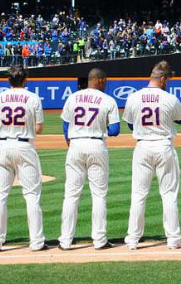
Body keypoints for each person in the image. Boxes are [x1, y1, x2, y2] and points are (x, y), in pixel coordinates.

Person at [122, 61, 181, 250]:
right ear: (163, 78)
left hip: (142, 147)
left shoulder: (134, 97)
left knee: (138, 194)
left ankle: (133, 239)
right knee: (168, 195)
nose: (168, 83)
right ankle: (174, 239)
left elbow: (129, 124)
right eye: (167, 80)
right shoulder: (169, 97)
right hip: (163, 145)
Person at [58, 68, 120, 251]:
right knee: (99, 195)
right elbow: (115, 130)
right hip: (96, 145)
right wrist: (99, 128)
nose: (106, 83)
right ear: (99, 80)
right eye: (105, 80)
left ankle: (65, 241)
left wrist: (70, 141)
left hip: (75, 144)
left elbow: (65, 124)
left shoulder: (73, 97)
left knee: (71, 195)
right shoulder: (108, 100)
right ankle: (99, 240)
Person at [0, 65, 47, 253]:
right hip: (24, 145)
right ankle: (36, 242)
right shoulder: (33, 98)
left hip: (3, 145)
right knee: (31, 196)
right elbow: (38, 129)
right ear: (25, 79)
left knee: (0, 196)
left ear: (8, 80)